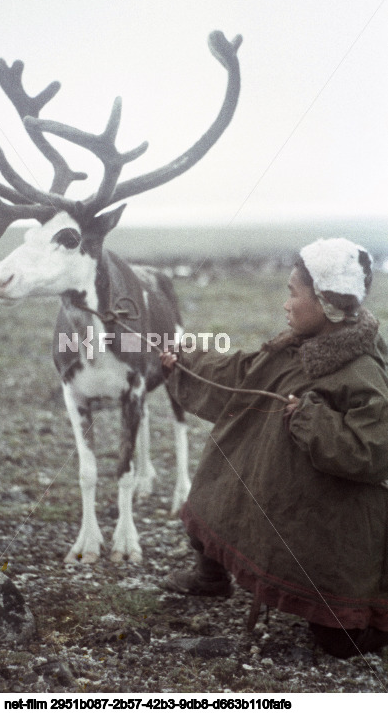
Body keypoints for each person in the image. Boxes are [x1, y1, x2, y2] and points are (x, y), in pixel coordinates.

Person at [160, 238, 388, 659]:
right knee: (213, 492)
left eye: (292, 293)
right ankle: (210, 577)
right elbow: (244, 369)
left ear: (325, 302)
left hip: (331, 525)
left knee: (339, 641)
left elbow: (370, 453)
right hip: (276, 488)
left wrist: (310, 419)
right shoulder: (299, 346)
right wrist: (188, 361)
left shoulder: (363, 373)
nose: (286, 304)